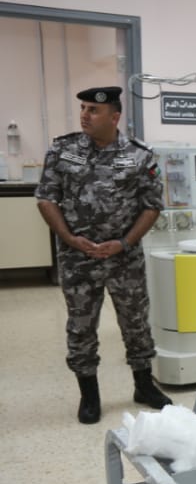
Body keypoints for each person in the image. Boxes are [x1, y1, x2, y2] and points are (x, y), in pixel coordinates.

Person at [35, 85, 173, 424]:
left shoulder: (140, 155)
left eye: (93, 110)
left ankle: (144, 386)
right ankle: (89, 395)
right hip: (77, 258)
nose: (85, 115)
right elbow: (46, 198)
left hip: (124, 258)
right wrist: (69, 238)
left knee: (135, 321)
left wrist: (124, 243)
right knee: (81, 325)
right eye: (83, 108)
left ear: (114, 117)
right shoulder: (62, 150)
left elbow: (152, 206)